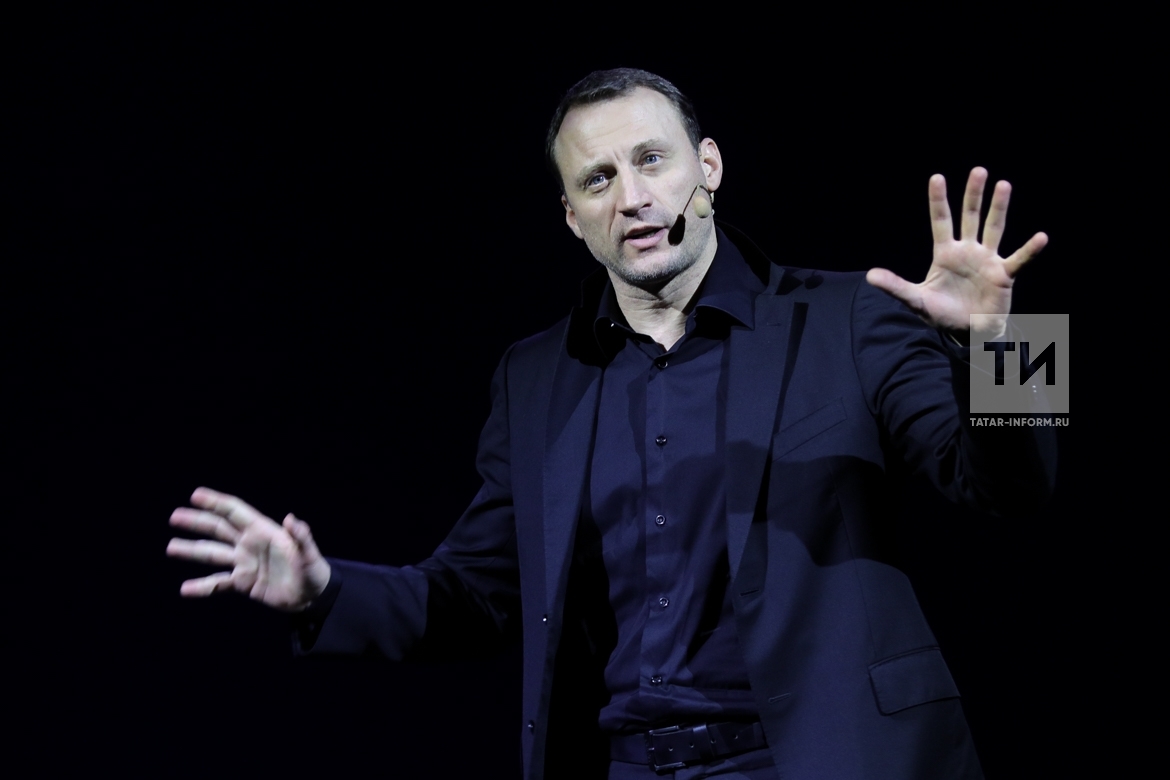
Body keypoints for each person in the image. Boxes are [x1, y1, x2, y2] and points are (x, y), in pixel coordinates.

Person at [167, 68, 1055, 779]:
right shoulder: (535, 377)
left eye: (651, 160)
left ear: (708, 168)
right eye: (599, 179)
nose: (632, 196)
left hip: (835, 757)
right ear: (572, 216)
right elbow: (476, 594)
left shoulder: (847, 315)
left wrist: (1004, 342)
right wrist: (323, 590)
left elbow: (1018, 489)